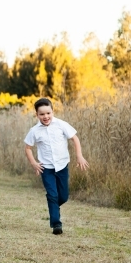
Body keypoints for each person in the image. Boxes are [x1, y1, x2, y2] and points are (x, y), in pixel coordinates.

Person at [24, 98, 89, 235]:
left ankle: (53, 207)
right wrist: (34, 163)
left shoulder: (61, 125)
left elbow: (75, 138)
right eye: (42, 114)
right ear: (37, 115)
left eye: (48, 113)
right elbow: (28, 148)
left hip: (62, 166)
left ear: (52, 112)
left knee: (63, 196)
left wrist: (79, 155)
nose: (45, 116)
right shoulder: (34, 131)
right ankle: (56, 224)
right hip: (46, 168)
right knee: (52, 194)